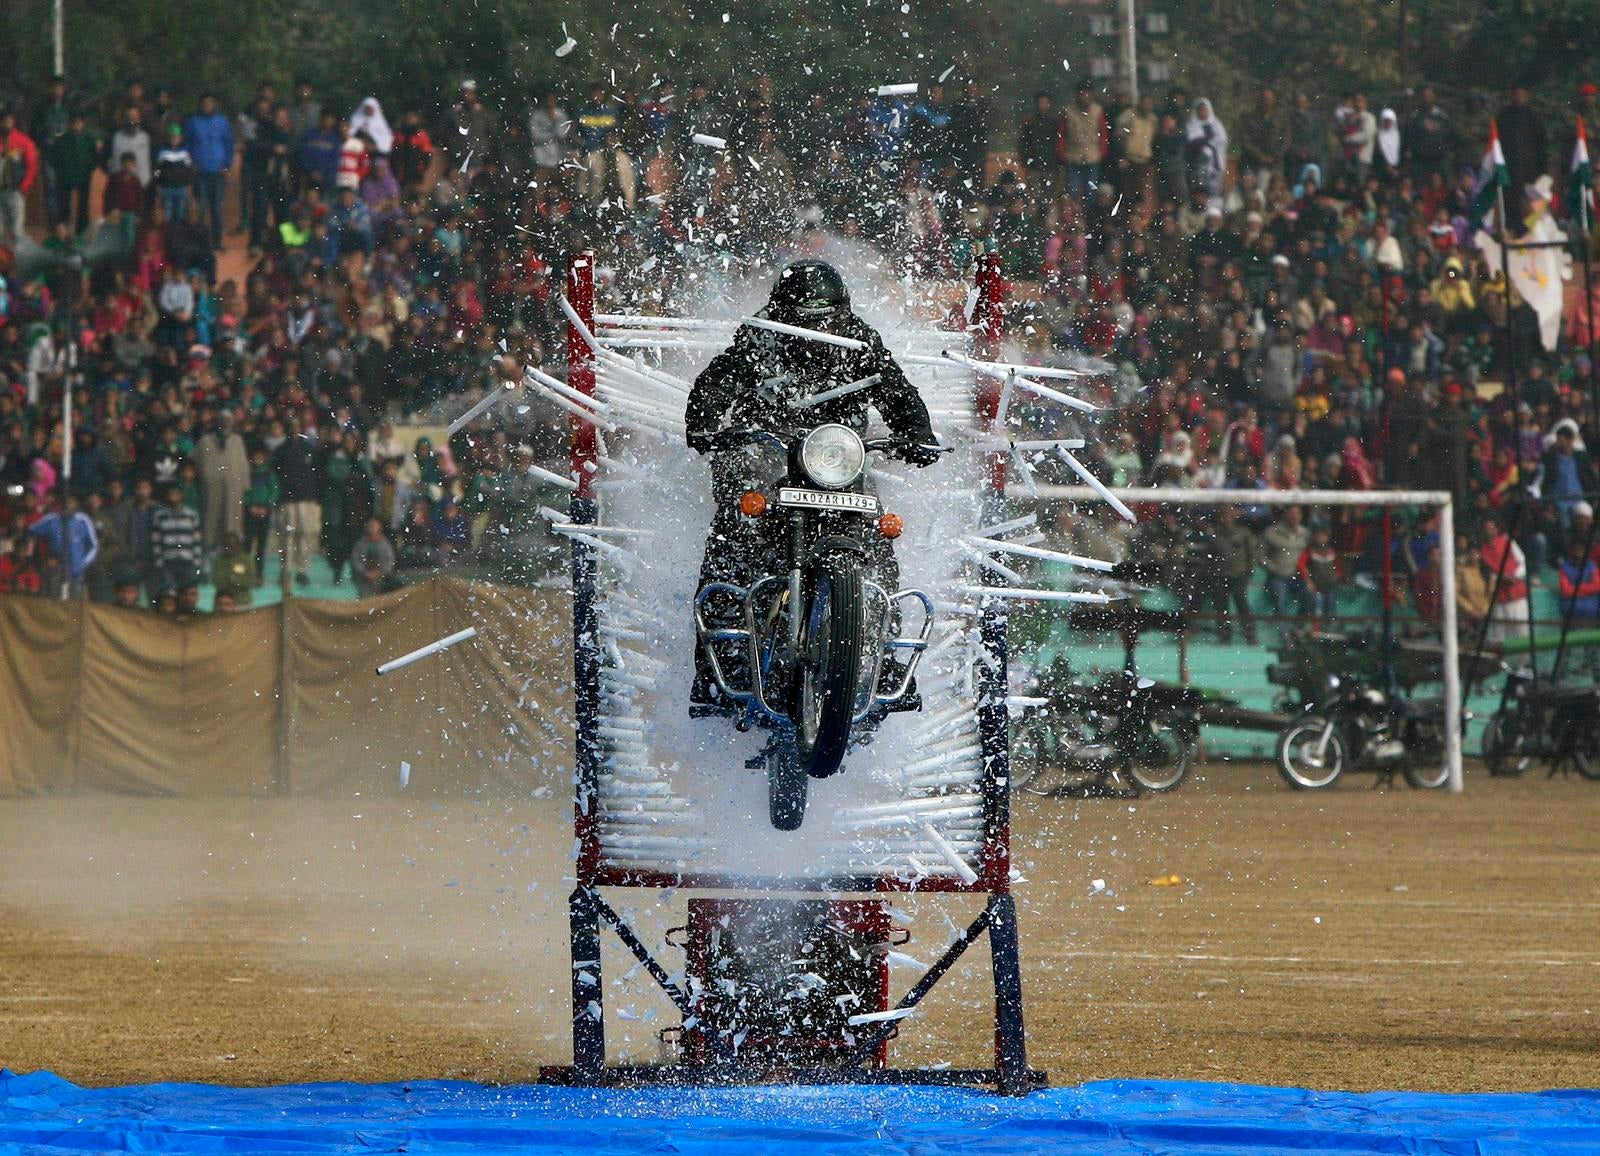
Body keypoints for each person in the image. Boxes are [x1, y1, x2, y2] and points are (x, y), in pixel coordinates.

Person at [684, 261, 941, 705]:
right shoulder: (759, 338)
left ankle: (884, 654)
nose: (819, 329)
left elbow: (896, 390)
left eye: (827, 318)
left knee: (878, 538)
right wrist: (706, 423)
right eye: (807, 320)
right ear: (784, 315)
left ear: (842, 312)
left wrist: (917, 435)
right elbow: (717, 381)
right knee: (734, 527)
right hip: (763, 455)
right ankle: (716, 661)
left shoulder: (859, 341)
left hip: (836, 462)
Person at [272, 416, 323, 587]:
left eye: (297, 426)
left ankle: (303, 570)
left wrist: (315, 497)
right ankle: (285, 570)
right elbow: (275, 473)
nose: (294, 429)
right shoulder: (280, 450)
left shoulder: (309, 449)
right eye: (291, 426)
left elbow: (316, 474)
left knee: (304, 535)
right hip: (287, 500)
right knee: (286, 537)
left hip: (306, 499)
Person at [184, 94, 234, 248]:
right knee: (201, 209)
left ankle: (217, 241)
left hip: (218, 172)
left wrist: (227, 164)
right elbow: (187, 144)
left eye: (210, 103)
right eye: (204, 103)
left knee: (216, 209)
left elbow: (229, 144)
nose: (207, 105)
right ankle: (201, 242)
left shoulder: (222, 122)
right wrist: (191, 163)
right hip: (200, 172)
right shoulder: (193, 122)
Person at [27, 493, 99, 599]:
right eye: (64, 503)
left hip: (76, 572)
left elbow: (94, 546)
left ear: (76, 504)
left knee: (74, 606)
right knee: (54, 603)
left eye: (70, 502)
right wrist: (44, 557)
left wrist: (82, 563)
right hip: (55, 570)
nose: (67, 505)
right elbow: (30, 531)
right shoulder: (51, 519)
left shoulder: (83, 520)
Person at [150, 482, 202, 599]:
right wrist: (159, 561)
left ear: (182, 496)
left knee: (187, 594)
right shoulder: (160, 515)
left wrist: (197, 561)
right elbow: (156, 540)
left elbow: (196, 540)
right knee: (170, 594)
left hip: (187, 561)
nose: (174, 496)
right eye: (171, 494)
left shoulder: (191, 515)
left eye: (177, 494)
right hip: (168, 562)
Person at [0, 108, 41, 246]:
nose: (7, 122)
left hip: (15, 191)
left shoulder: (23, 141)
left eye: (9, 119)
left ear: (14, 121)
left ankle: (19, 262)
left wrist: (24, 187)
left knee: (17, 231)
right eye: (4, 120)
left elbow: (32, 167)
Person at [350, 516, 397, 597]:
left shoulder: (385, 544)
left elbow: (390, 560)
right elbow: (355, 560)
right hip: (364, 579)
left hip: (381, 578)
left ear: (379, 527)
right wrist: (364, 572)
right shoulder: (361, 544)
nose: (372, 528)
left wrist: (379, 572)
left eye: (374, 525)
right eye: (370, 525)